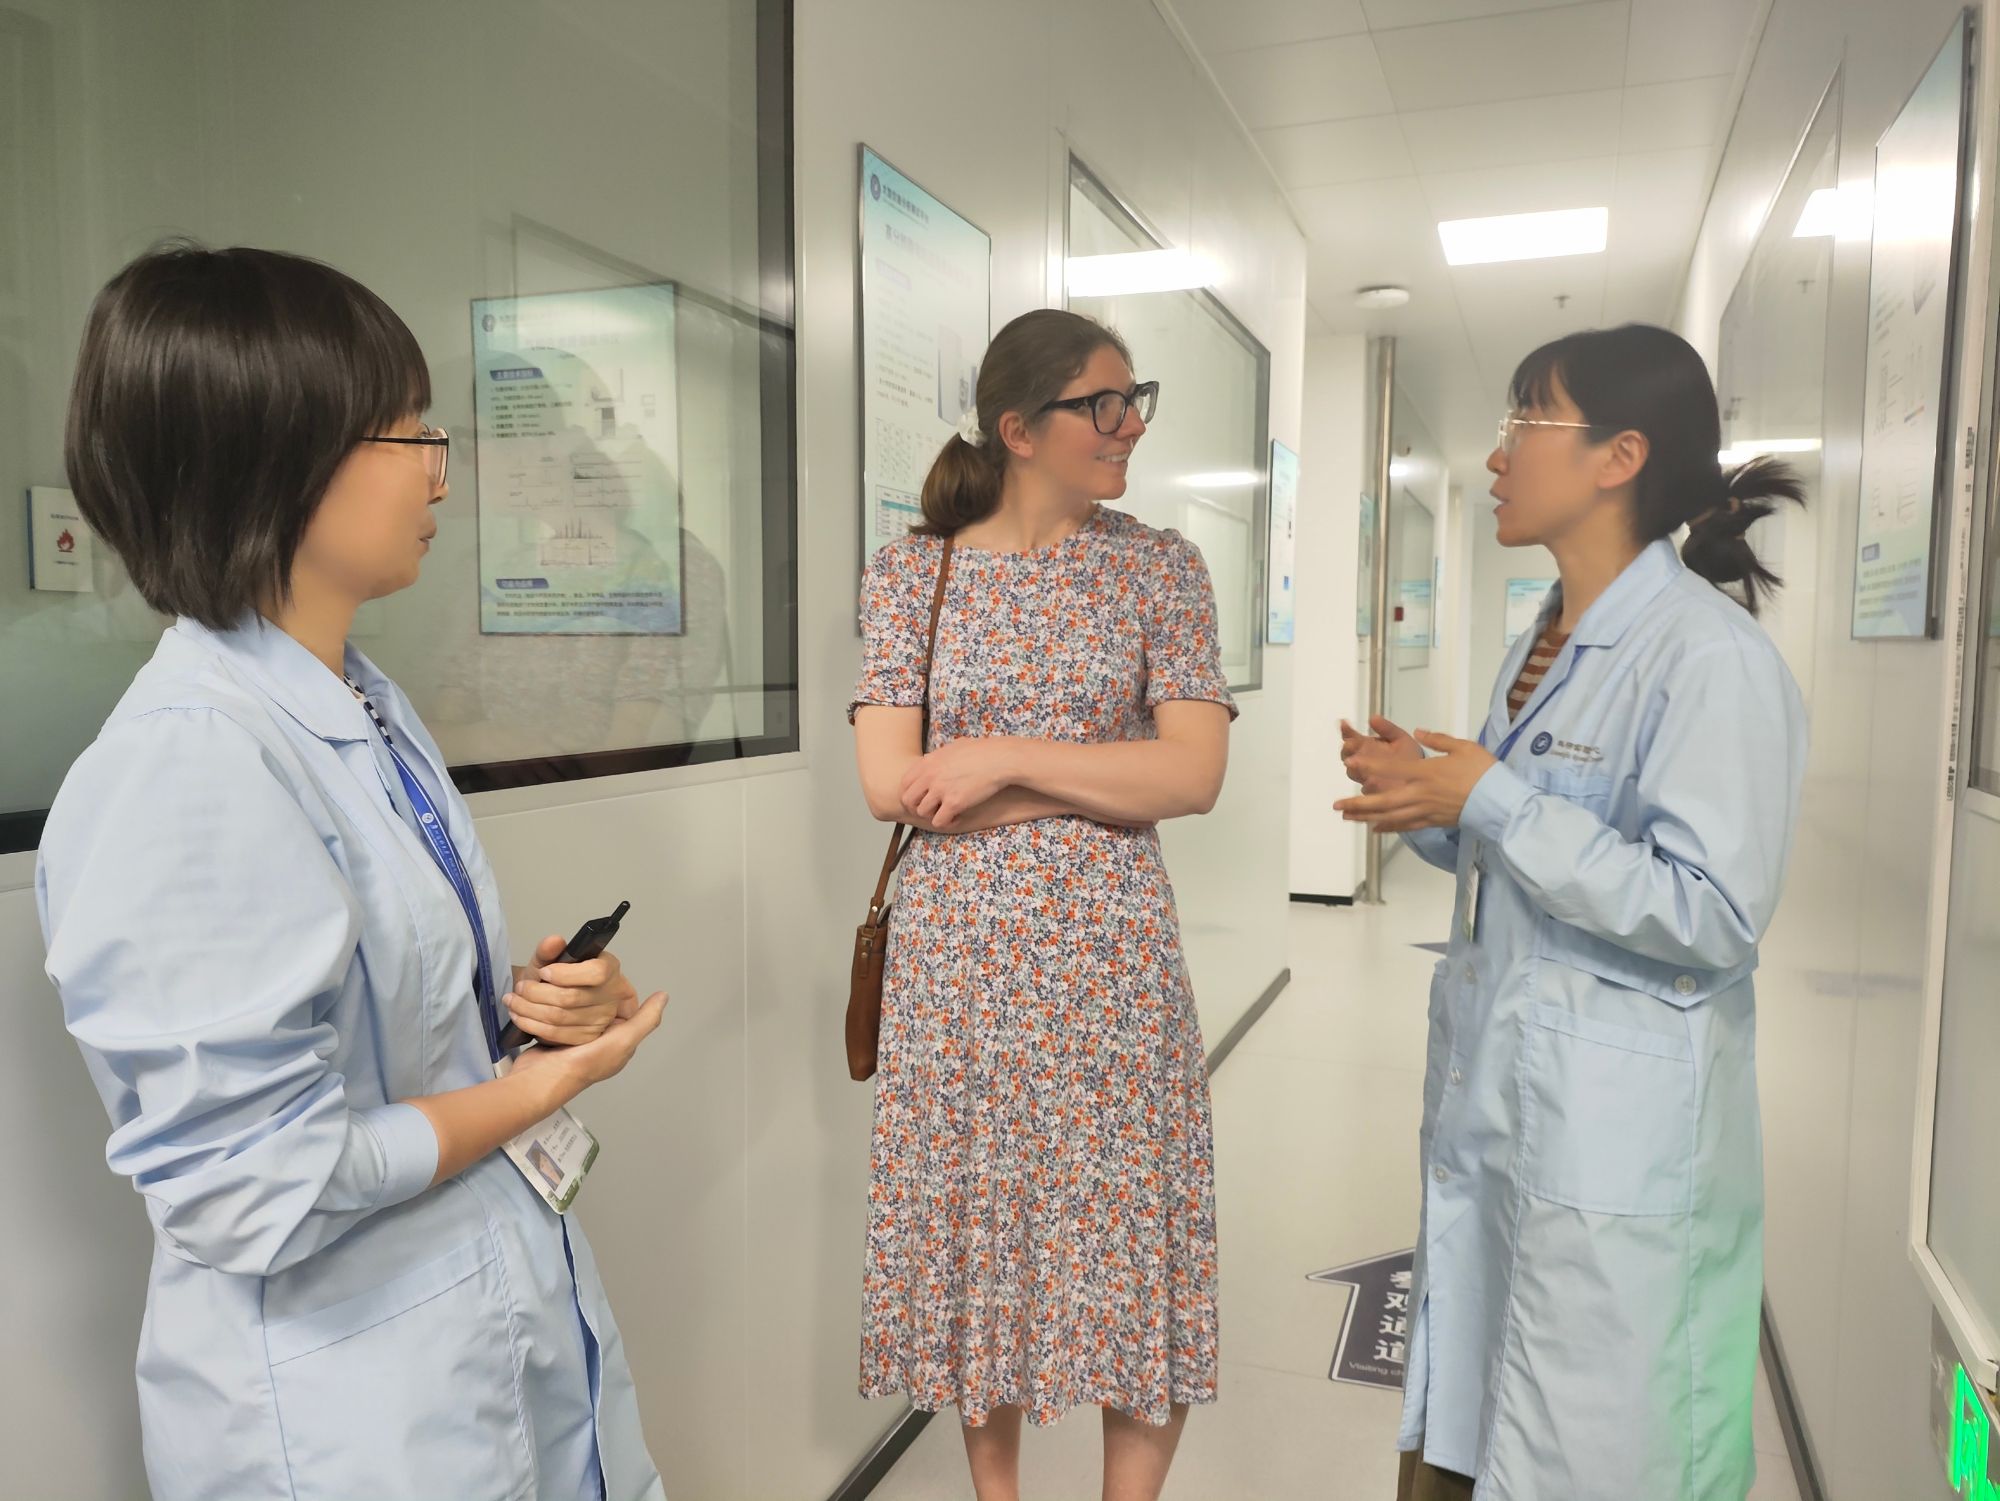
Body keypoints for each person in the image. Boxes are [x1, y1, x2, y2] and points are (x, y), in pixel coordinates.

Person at [36, 244, 670, 1501]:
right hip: (347, 1415)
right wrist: (540, 1090)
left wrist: (537, 1016)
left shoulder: (361, 700)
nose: (441, 468)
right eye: (407, 429)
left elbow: (385, 1023)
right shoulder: (187, 763)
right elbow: (255, 1186)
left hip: (473, 1324)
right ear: (275, 457)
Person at [1338, 323, 1809, 1501]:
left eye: (1522, 423)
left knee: (1586, 1451)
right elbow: (1528, 847)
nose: (1496, 455)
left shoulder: (1708, 659)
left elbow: (1710, 911)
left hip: (1613, 1138)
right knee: (1471, 1419)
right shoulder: (1543, 640)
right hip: (1507, 1114)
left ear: (1618, 455)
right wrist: (1432, 802)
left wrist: (1490, 800)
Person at [849, 308, 1234, 1501]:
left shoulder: (1159, 566)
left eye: (1134, 400)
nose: (1128, 425)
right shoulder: (914, 570)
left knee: (1128, 1237)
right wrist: (1090, 782)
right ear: (1017, 430)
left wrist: (997, 761)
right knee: (984, 1238)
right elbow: (890, 785)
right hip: (956, 968)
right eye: (1101, 405)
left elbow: (1191, 774)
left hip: (1110, 962)